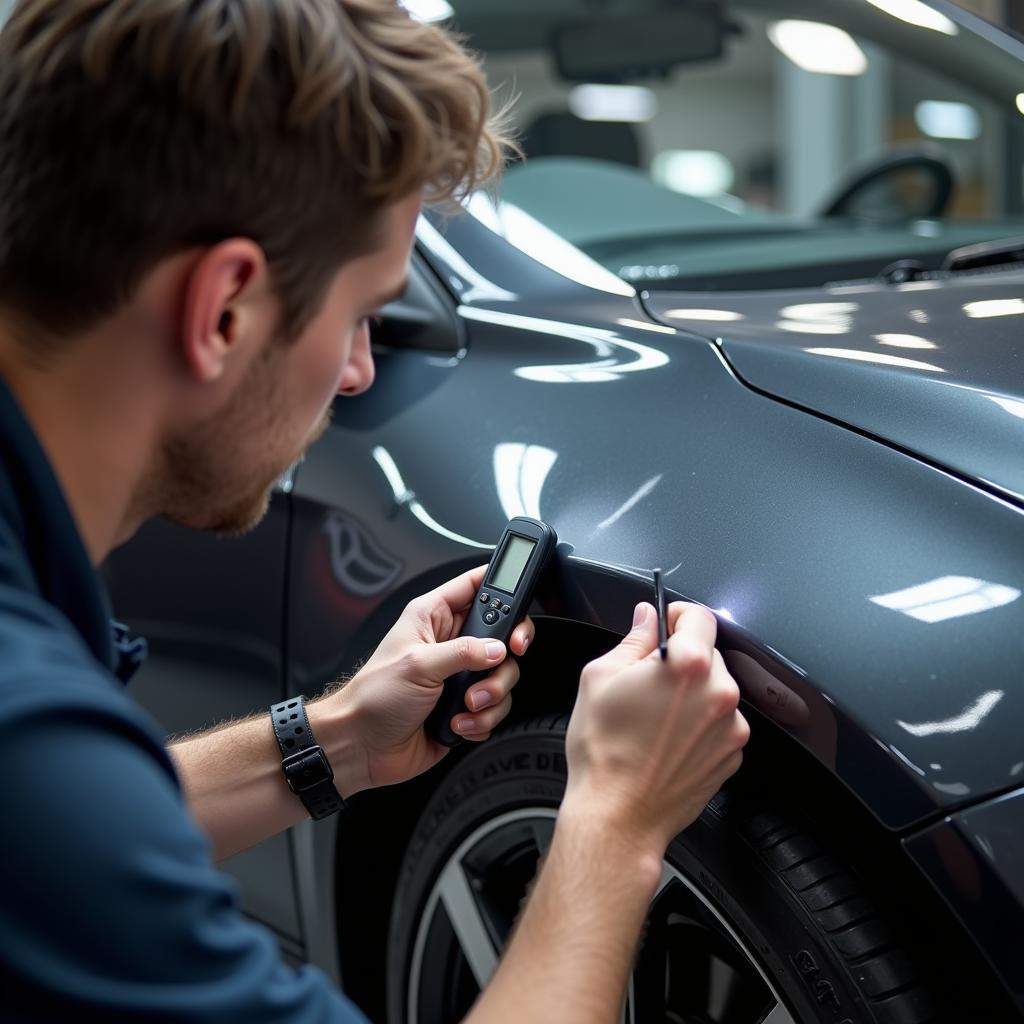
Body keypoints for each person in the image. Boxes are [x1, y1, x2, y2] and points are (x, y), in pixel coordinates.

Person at [0, 0, 750, 1020]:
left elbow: (75, 836)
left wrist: (340, 737)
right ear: (222, 310)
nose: (357, 373)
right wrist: (616, 819)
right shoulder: (27, 726)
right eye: (361, 311)